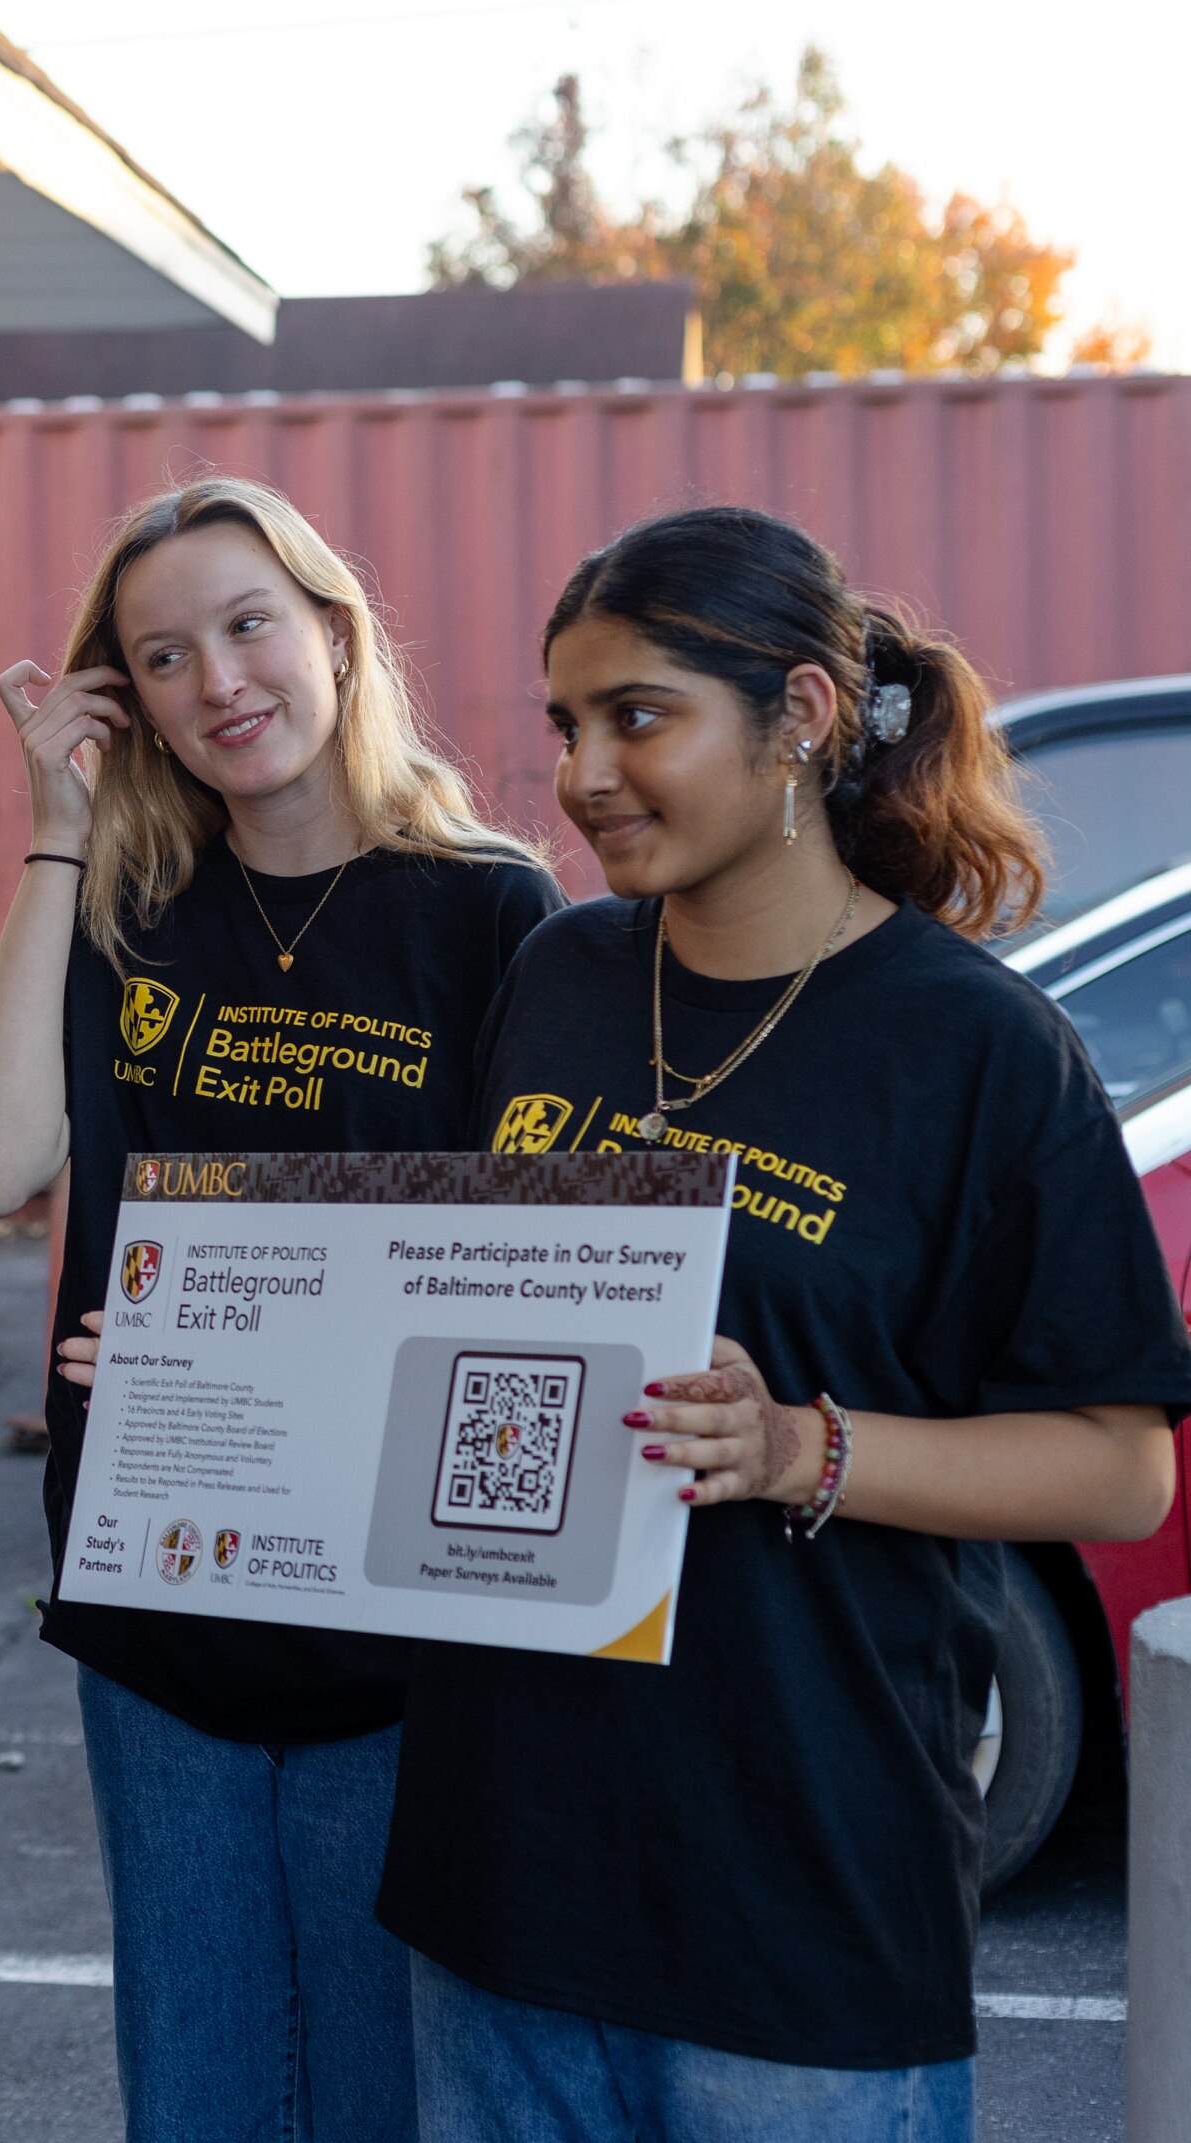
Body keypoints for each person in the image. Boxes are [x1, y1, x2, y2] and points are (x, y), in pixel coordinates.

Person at [379, 505, 1191, 2141]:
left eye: (639, 717)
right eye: (566, 726)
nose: (588, 772)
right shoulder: (561, 979)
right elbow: (453, 1309)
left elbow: (1121, 1476)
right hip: (500, 1884)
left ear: (803, 718)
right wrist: (225, 1374)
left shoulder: (976, 1050)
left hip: (799, 1900)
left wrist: (798, 1447)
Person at [0, 476, 558, 2143]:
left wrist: (255, 1343)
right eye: (160, 655)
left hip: (394, 1613)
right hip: (161, 1592)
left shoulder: (493, 912)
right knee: (197, 2094)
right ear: (122, 700)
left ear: (335, 636)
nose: (217, 681)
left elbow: (526, 1272)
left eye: (246, 625)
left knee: (376, 2092)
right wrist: (58, 830)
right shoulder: (125, 913)